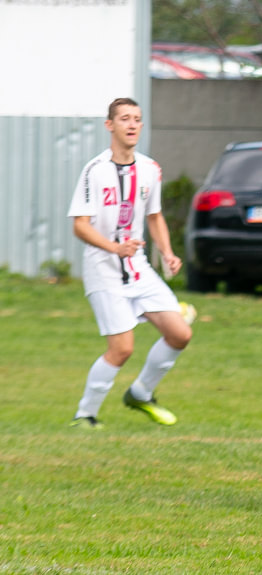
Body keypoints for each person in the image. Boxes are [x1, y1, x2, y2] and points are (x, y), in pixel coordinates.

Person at [67, 97, 192, 429]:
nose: (132, 124)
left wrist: (167, 252)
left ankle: (140, 393)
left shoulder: (150, 169)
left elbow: (155, 217)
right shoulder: (96, 170)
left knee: (180, 333)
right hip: (104, 270)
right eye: (125, 118)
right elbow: (80, 225)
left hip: (138, 268)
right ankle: (85, 415)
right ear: (110, 125)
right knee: (122, 349)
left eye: (137, 118)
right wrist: (114, 247)